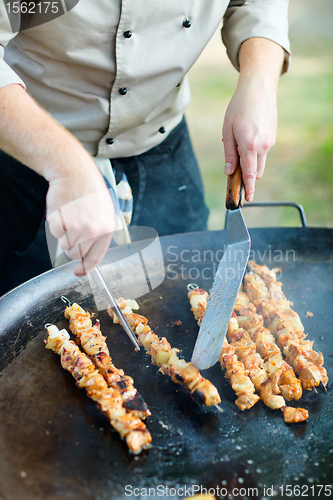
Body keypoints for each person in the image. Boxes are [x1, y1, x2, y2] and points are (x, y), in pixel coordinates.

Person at [0, 0, 290, 296]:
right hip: (30, 153)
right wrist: (65, 165)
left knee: (181, 301)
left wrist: (259, 84)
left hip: (162, 145)